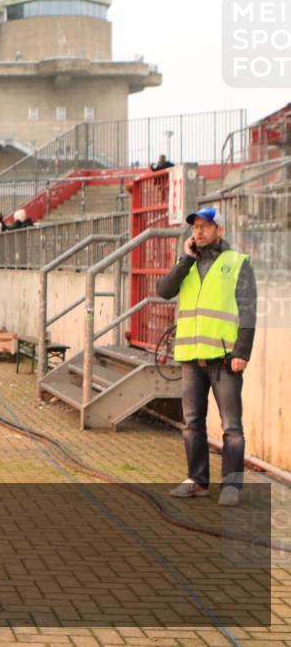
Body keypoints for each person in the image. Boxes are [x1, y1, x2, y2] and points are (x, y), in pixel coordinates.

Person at [157, 207, 256, 507]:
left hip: (225, 359)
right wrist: (186, 258)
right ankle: (197, 480)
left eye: (205, 226)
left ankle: (231, 486)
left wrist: (242, 352)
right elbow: (163, 291)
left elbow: (248, 311)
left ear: (220, 230)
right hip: (191, 357)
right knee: (192, 423)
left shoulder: (237, 263)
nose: (198, 232)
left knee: (231, 427)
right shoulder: (186, 263)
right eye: (195, 227)